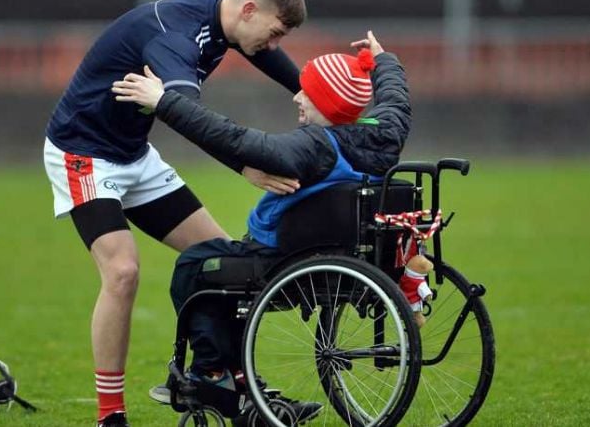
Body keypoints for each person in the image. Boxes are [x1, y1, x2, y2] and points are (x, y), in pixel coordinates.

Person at [42, 0, 306, 427]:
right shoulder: (176, 41)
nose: (276, 43)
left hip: (133, 155)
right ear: (249, 9)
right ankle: (111, 416)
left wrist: (314, 90)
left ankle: (230, 386)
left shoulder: (219, 18)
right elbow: (185, 116)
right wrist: (245, 165)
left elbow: (262, 53)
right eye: (276, 31)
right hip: (82, 153)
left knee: (224, 265)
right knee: (122, 272)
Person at [112, 30, 411, 419]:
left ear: (325, 103)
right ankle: (239, 376)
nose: (297, 97)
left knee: (195, 266)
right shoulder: (382, 134)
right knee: (215, 265)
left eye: (306, 92)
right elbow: (396, 102)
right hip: (346, 257)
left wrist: (163, 101)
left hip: (284, 260)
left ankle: (213, 373)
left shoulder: (313, 146)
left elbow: (238, 141)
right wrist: (382, 61)